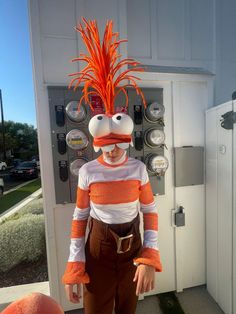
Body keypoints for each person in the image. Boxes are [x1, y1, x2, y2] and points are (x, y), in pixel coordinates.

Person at [62, 18, 162, 314]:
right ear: (97, 144)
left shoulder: (138, 170)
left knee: (128, 310)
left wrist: (149, 256)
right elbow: (80, 218)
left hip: (132, 247)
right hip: (98, 250)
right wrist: (75, 264)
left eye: (120, 143)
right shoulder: (89, 172)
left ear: (128, 140)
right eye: (108, 144)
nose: (115, 150)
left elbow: (150, 212)